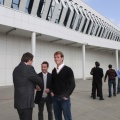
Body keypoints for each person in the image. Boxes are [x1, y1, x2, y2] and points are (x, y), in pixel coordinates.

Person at [13, 52, 43, 120]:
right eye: (32, 61)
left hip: (19, 103)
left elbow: (24, 81)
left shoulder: (16, 69)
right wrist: (40, 86)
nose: (32, 62)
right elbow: (39, 80)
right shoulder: (28, 68)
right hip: (26, 103)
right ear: (29, 60)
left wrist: (35, 86)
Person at [51, 51, 75, 120]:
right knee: (57, 117)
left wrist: (67, 95)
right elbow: (52, 83)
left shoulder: (68, 70)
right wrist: (51, 91)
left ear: (62, 58)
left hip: (64, 99)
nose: (56, 59)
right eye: (55, 57)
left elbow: (72, 84)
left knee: (67, 118)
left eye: (58, 57)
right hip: (55, 98)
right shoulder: (53, 70)